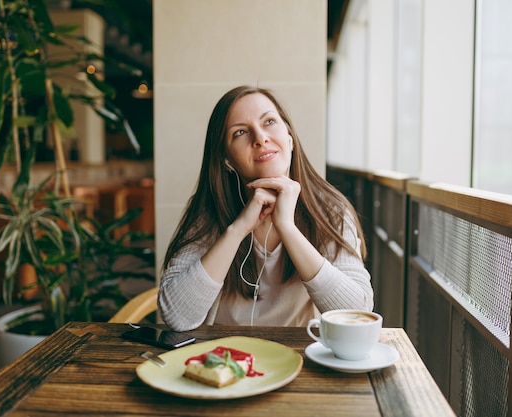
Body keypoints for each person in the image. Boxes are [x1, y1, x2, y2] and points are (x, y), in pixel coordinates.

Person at [158, 85, 373, 331]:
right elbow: (176, 316)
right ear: (226, 159)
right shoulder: (210, 211)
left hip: (301, 360)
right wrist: (238, 229)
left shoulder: (330, 211)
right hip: (225, 361)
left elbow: (358, 313)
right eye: (240, 132)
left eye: (269, 121)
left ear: (289, 139)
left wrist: (287, 229)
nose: (260, 138)